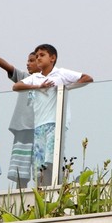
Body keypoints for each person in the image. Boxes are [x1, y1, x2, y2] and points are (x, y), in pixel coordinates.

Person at [13, 44, 93, 186]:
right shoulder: (35, 77)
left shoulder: (61, 73)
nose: (38, 58)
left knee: (53, 160)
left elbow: (87, 78)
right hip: (39, 125)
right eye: (36, 56)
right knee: (40, 165)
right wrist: (38, 87)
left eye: (42, 55)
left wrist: (65, 88)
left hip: (56, 122)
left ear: (52, 58)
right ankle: (45, 192)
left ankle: (59, 187)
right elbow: (16, 86)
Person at [0, 47, 40, 188]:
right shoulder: (25, 78)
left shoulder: (51, 81)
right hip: (22, 128)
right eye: (28, 60)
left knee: (40, 169)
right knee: (20, 169)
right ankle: (21, 198)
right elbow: (8, 67)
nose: (28, 63)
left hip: (40, 128)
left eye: (31, 60)